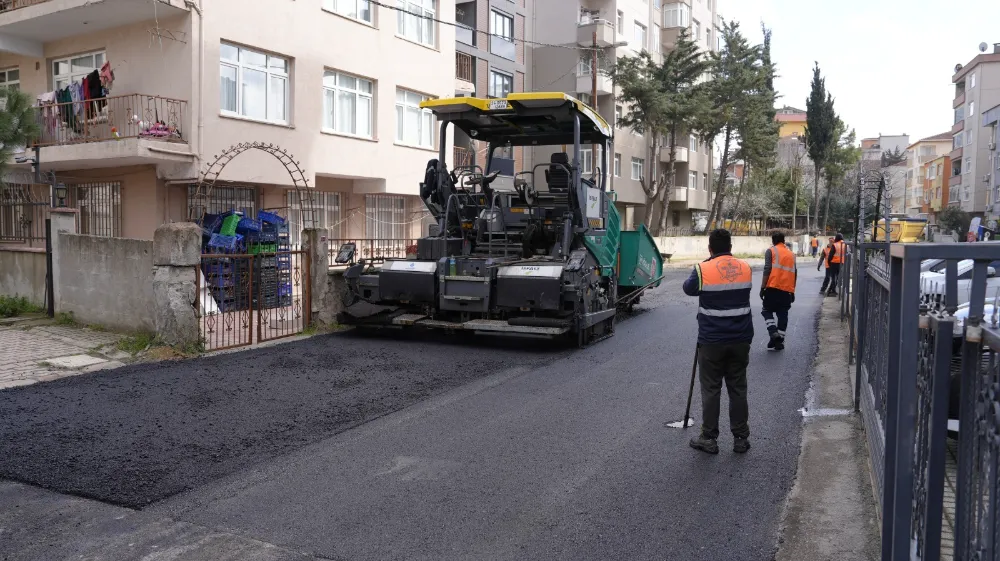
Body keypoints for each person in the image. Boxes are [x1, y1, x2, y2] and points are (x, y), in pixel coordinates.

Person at [682, 229, 754, 455]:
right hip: (741, 338)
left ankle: (709, 438)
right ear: (731, 247)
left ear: (710, 248)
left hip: (712, 340)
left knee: (711, 389)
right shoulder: (745, 267)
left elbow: (688, 289)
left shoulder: (703, 269)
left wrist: (708, 262)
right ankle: (741, 438)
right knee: (738, 388)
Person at [760, 232, 797, 351]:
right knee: (783, 314)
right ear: (783, 240)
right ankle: (779, 340)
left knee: (766, 311)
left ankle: (773, 332)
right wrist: (792, 291)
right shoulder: (791, 254)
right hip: (786, 290)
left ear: (773, 241)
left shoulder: (771, 251)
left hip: (772, 287)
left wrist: (762, 287)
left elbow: (767, 269)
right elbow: (795, 273)